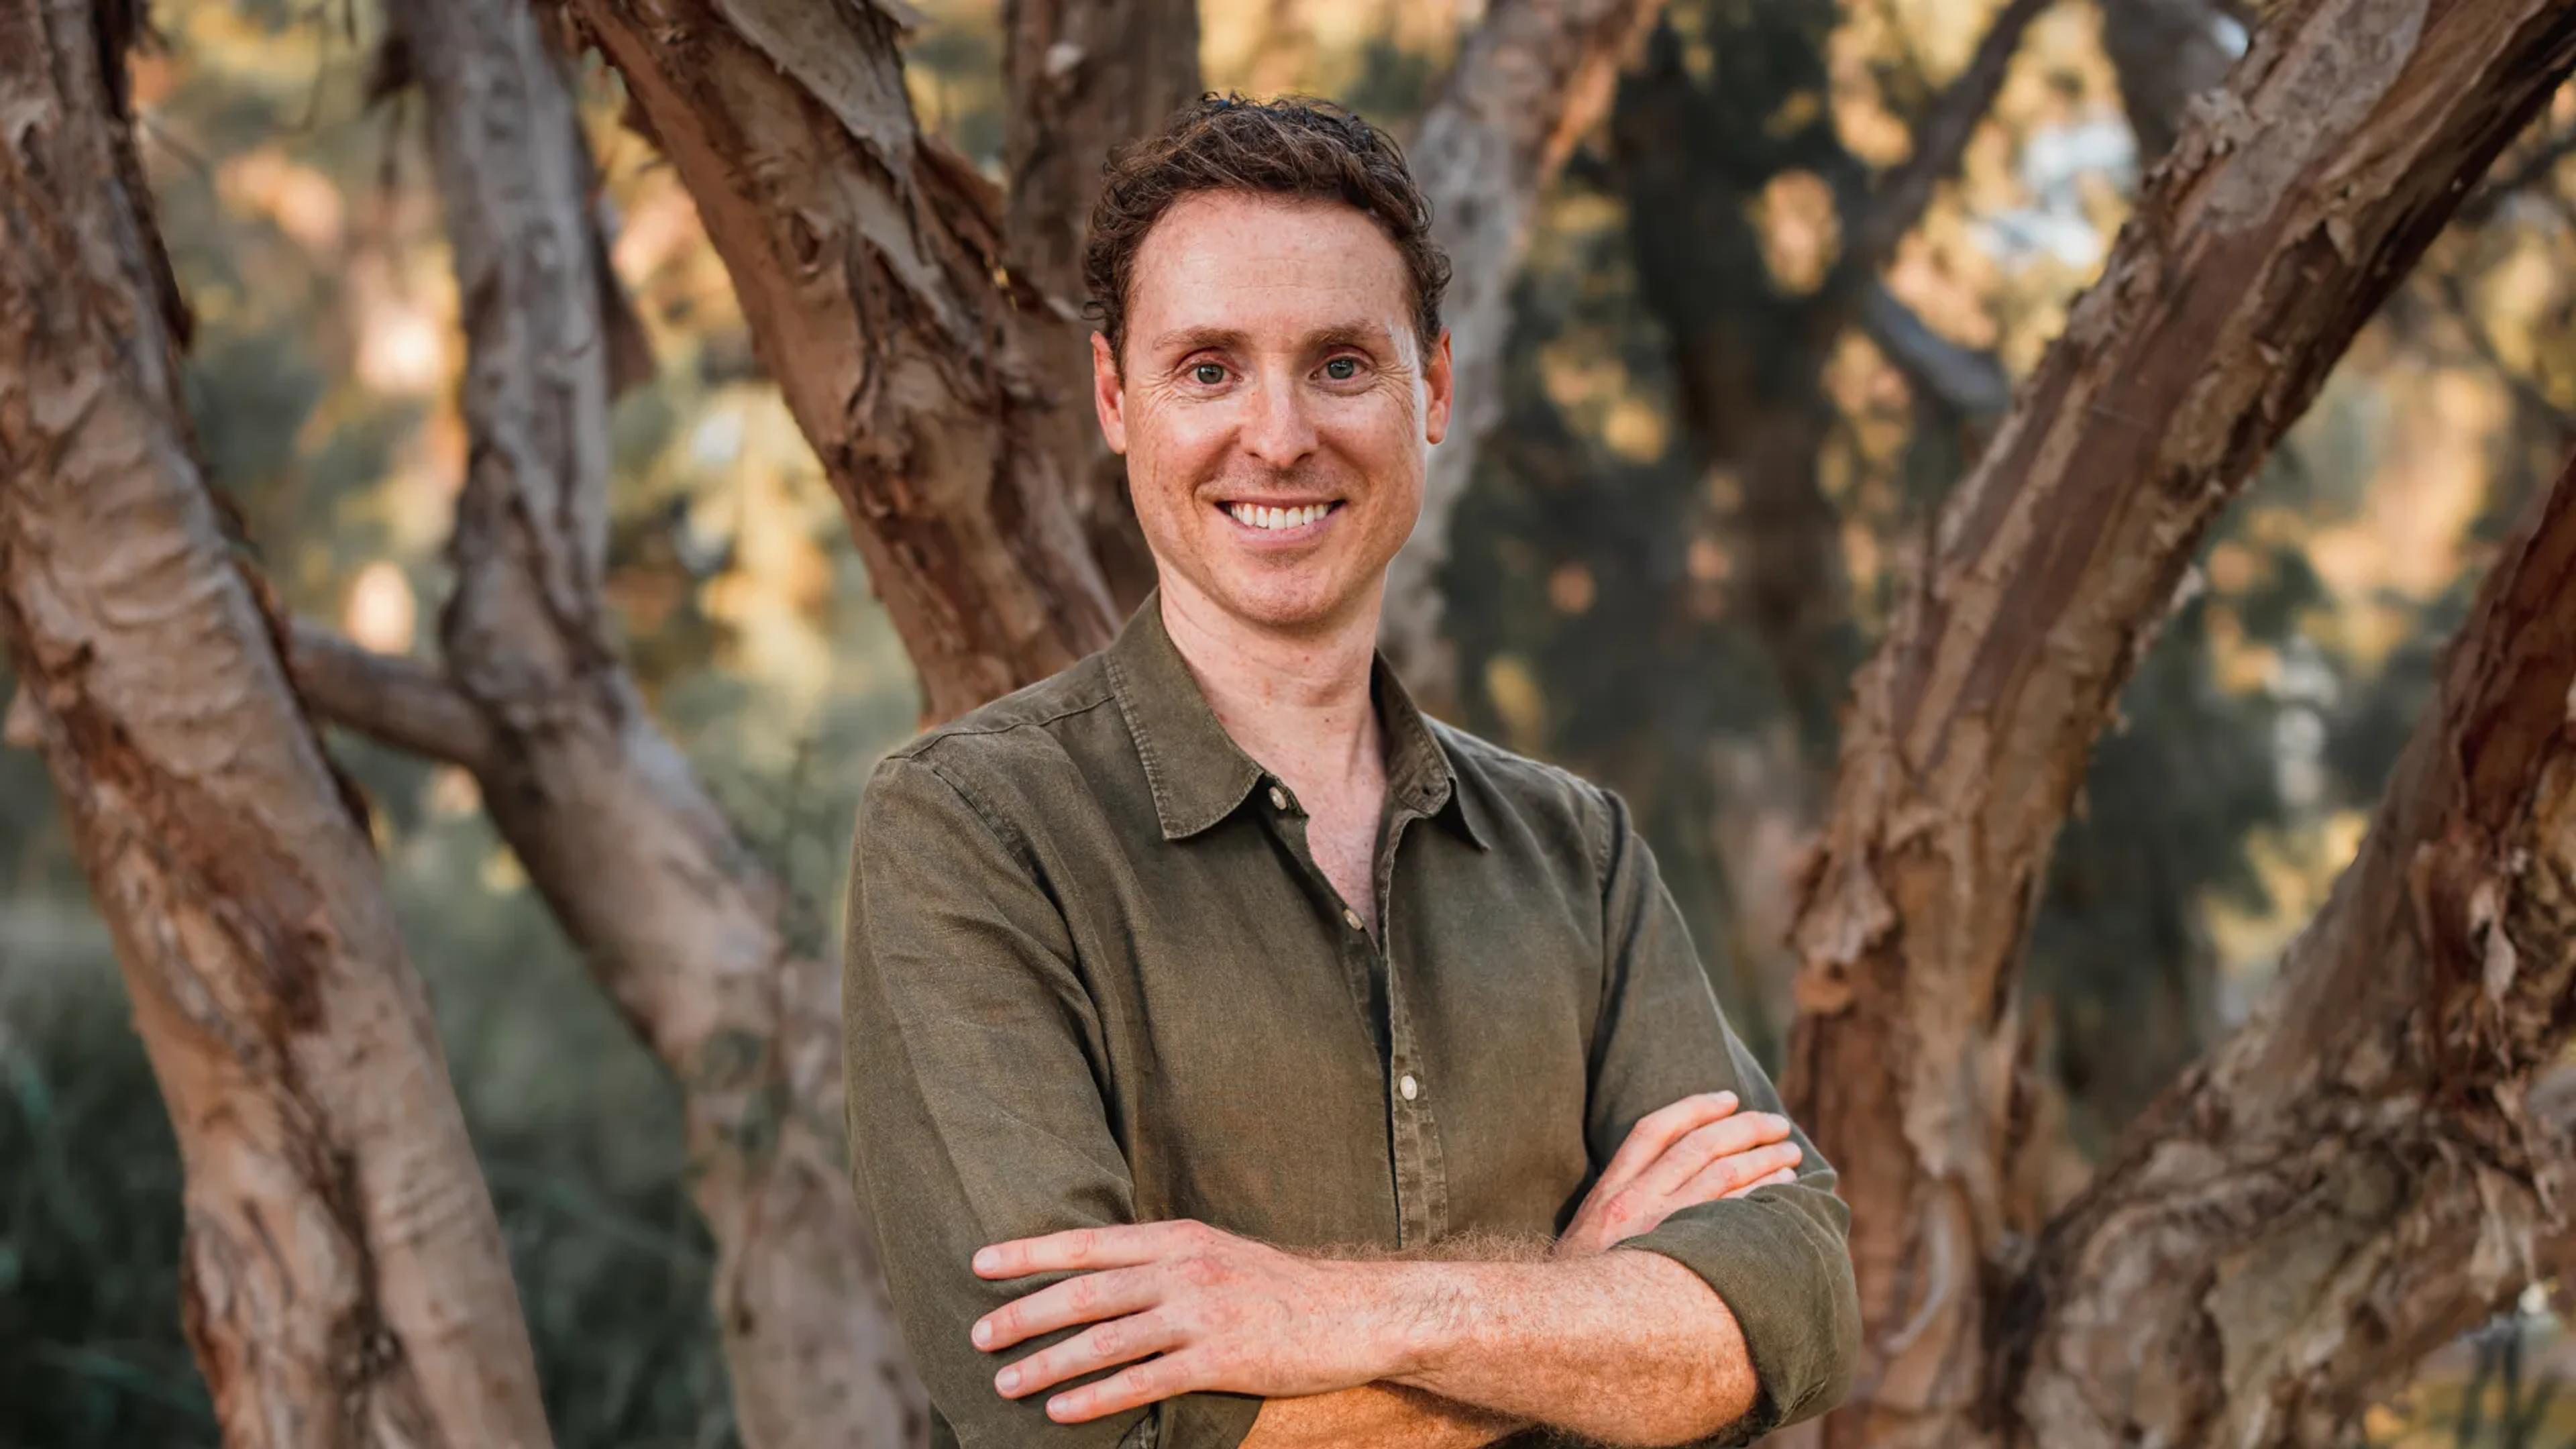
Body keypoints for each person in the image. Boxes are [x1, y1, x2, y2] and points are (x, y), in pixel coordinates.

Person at [841, 93, 1860, 1449]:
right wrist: (1567, 1303)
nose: (1276, 436)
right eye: (1208, 368)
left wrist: (1342, 1323)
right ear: (1114, 398)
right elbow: (1090, 1426)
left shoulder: (1577, 854)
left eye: (1338, 364)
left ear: (1430, 388)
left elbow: (1790, 1308)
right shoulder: (973, 833)